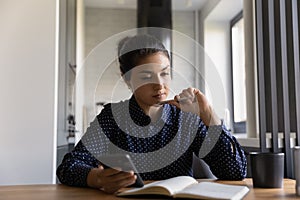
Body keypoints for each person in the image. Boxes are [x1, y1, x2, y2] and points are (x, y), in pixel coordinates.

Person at [56, 34, 247, 194]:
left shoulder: (186, 119)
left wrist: (208, 114)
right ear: (128, 79)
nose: (160, 85)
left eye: (165, 73)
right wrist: (97, 178)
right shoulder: (112, 117)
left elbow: (235, 171)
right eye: (147, 76)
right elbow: (68, 167)